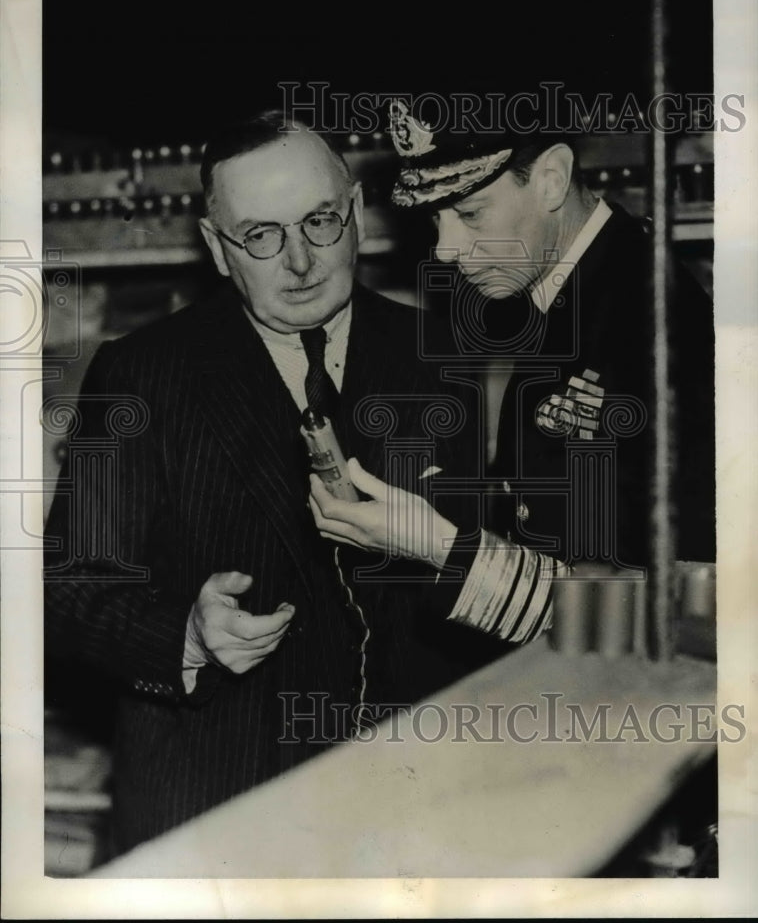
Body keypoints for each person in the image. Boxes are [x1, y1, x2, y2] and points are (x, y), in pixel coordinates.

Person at [44, 111, 555, 856]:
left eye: (319, 221)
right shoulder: (142, 372)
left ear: (354, 212)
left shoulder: (441, 360)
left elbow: (488, 596)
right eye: (261, 235)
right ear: (219, 249)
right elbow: (68, 584)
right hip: (214, 808)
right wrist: (184, 636)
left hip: (403, 815)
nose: (300, 262)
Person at [310, 99, 715, 624]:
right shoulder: (572, 290)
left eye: (471, 213)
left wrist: (437, 545)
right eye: (437, 218)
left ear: (551, 178)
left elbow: (677, 612)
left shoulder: (648, 318)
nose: (445, 250)